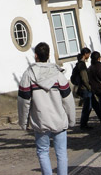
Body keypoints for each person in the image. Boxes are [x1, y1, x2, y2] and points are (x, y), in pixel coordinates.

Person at [18, 42, 75, 175]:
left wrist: (23, 122)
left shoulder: (28, 75)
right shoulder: (58, 75)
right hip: (59, 120)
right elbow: (68, 100)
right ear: (48, 56)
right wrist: (71, 120)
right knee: (61, 153)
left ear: (36, 56)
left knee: (43, 152)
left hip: (40, 121)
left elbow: (23, 101)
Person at [76, 48, 101, 130]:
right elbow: (84, 78)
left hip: (86, 88)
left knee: (95, 105)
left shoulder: (81, 63)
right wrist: (89, 87)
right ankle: (83, 124)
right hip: (86, 89)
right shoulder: (82, 64)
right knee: (88, 107)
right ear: (85, 54)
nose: (89, 56)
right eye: (89, 54)